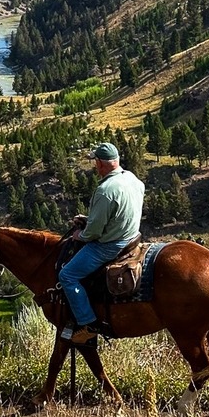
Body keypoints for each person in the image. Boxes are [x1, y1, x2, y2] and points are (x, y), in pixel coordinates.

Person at [59, 142, 145, 344]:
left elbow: (94, 232)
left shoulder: (105, 190)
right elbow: (116, 214)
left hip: (110, 245)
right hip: (132, 236)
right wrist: (91, 219)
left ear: (100, 163)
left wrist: (80, 234)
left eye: (95, 162)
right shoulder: (132, 179)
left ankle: (88, 323)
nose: (95, 166)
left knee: (67, 275)